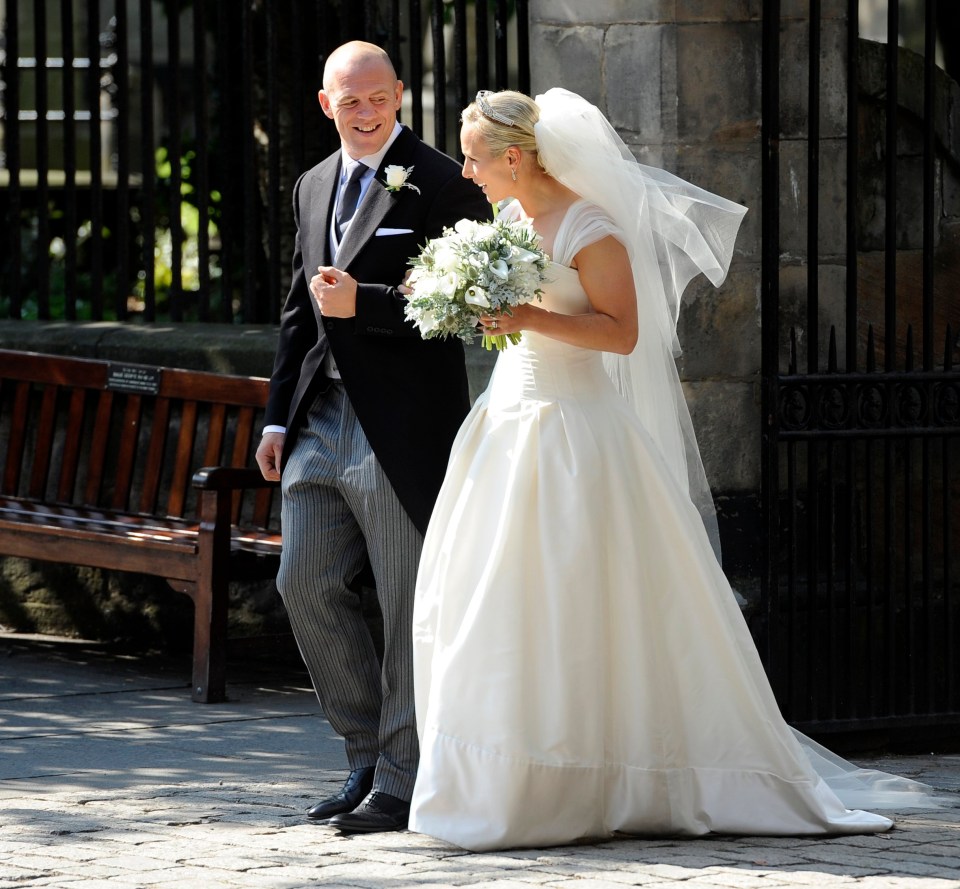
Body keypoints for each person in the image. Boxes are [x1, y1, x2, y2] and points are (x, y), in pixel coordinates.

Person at [407, 88, 933, 851]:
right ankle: (509, 784)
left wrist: (527, 318)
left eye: (473, 155)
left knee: (588, 602)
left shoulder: (591, 226)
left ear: (513, 156)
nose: (466, 170)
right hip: (508, 424)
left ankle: (606, 776)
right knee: (500, 599)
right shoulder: (513, 220)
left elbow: (622, 334)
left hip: (576, 435)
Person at [255, 41, 491, 835]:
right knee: (303, 581)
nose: (364, 113)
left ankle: (402, 773)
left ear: (399, 96)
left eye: (377, 98)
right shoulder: (313, 183)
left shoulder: (443, 181)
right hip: (319, 420)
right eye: (348, 101)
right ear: (326, 104)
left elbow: (466, 305)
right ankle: (363, 747)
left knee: (402, 598)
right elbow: (299, 307)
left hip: (401, 423)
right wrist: (278, 416)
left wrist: (374, 304)